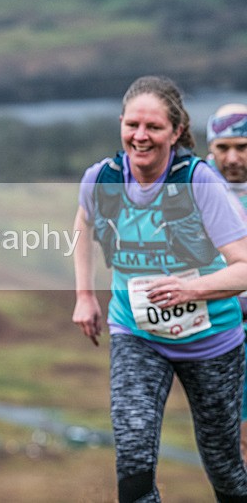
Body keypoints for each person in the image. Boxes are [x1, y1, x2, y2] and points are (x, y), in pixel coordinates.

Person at [72, 75, 247, 502]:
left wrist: (194, 290)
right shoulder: (102, 178)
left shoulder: (201, 181)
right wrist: (85, 296)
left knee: (226, 468)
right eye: (132, 125)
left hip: (213, 341)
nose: (141, 136)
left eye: (153, 127)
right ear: (121, 124)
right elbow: (82, 225)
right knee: (133, 461)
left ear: (176, 131)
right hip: (137, 334)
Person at [206, 103, 247, 464]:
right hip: (221, 329)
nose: (232, 157)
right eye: (223, 148)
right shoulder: (197, 188)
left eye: (242, 146)